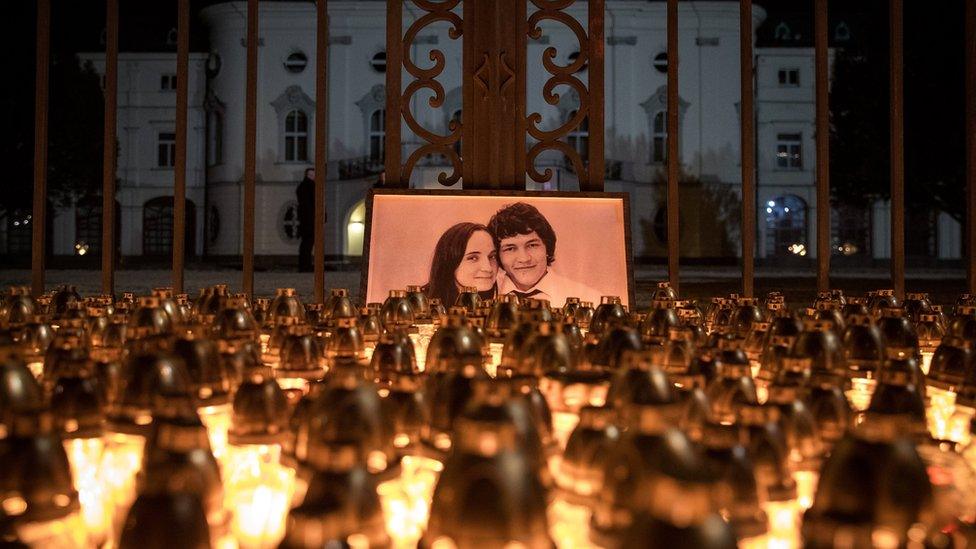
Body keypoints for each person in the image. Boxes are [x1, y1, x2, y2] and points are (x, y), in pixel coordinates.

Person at [487, 201, 599, 307]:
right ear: (498, 256)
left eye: (532, 245)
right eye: (510, 249)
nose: (524, 258)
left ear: (547, 247)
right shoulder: (482, 297)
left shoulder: (591, 299)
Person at [424, 222, 498, 306]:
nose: (488, 268)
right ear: (449, 262)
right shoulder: (418, 308)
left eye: (492, 256)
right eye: (473, 258)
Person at [295, 167, 319, 272]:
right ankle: (305, 266)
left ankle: (304, 265)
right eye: (312, 175)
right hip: (310, 219)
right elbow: (314, 203)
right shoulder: (310, 186)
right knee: (308, 243)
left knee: (306, 243)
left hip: (306, 219)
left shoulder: (302, 187)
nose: (313, 177)